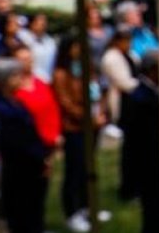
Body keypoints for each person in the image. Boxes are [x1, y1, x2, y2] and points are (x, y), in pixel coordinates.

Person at [53, 36, 109, 233]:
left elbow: (101, 90)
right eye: (76, 45)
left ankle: (88, 206)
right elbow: (65, 103)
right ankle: (72, 212)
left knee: (89, 166)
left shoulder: (87, 67)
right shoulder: (61, 74)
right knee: (74, 169)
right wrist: (88, 118)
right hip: (75, 128)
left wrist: (102, 112)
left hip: (94, 125)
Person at [0, 58, 48, 233]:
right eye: (15, 75)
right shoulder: (0, 109)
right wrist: (38, 159)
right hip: (18, 168)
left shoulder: (14, 101)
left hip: (32, 164)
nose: (21, 78)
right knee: (22, 208)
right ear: (3, 81)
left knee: (34, 205)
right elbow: (16, 142)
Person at [128, 51, 159, 233]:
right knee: (153, 208)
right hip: (149, 164)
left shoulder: (151, 92)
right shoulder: (141, 97)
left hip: (155, 162)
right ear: (152, 70)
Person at [12, 46, 61, 159]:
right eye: (23, 59)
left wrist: (57, 134)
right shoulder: (12, 89)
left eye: (30, 59)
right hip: (27, 143)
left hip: (50, 139)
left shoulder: (42, 82)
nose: (28, 62)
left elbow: (53, 109)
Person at [100, 26, 137, 140]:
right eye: (126, 41)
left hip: (133, 98)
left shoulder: (131, 54)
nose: (129, 44)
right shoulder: (111, 58)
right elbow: (123, 83)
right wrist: (142, 85)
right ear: (118, 41)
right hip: (121, 100)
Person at [19, 13, 57, 83]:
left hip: (48, 80)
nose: (43, 23)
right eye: (40, 21)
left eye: (45, 21)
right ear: (31, 23)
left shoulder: (50, 41)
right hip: (31, 81)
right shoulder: (23, 38)